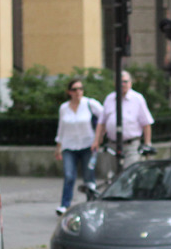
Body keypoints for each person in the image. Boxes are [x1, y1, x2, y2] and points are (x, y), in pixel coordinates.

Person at [92, 70, 154, 179]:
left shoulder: (137, 99)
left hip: (131, 144)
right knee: (114, 176)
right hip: (113, 144)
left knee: (128, 174)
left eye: (125, 81)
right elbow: (101, 122)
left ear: (130, 83)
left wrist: (147, 143)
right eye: (120, 82)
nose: (123, 84)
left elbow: (146, 123)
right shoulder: (110, 99)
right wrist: (97, 140)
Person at [54, 78, 102, 214]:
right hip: (69, 146)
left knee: (89, 176)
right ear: (69, 92)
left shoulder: (90, 104)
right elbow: (61, 128)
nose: (78, 92)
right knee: (69, 175)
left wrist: (98, 138)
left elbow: (104, 118)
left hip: (88, 145)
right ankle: (65, 204)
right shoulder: (64, 108)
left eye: (80, 89)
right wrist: (58, 146)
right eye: (75, 89)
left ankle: (91, 204)